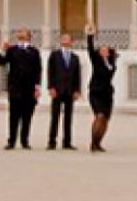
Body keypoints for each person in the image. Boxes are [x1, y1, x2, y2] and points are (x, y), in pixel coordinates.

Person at [0, 29, 42, 150]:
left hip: (29, 88)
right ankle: (11, 141)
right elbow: (2, 62)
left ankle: (24, 140)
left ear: (28, 36)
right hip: (15, 88)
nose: (20, 34)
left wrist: (37, 87)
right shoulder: (12, 50)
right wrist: (3, 50)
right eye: (19, 32)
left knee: (27, 116)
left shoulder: (34, 51)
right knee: (13, 116)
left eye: (23, 32)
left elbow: (38, 69)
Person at [45, 33, 82, 151]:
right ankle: (52, 142)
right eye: (63, 38)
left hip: (70, 91)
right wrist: (51, 87)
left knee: (68, 118)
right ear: (60, 41)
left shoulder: (75, 57)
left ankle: (67, 142)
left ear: (72, 41)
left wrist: (77, 90)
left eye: (68, 38)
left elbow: (77, 75)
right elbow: (50, 72)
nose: (65, 40)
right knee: (55, 117)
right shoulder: (54, 55)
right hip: (57, 90)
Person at [85, 24, 116, 153]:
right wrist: (90, 35)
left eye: (105, 50)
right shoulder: (96, 60)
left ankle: (98, 143)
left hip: (107, 94)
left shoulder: (111, 64)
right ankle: (93, 142)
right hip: (96, 92)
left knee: (105, 120)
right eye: (101, 50)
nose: (103, 51)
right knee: (99, 116)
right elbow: (90, 49)